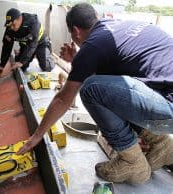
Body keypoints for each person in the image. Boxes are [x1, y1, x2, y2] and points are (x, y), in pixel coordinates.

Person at [17, 3, 173, 184]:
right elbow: (112, 84)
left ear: (75, 31)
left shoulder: (93, 44)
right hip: (165, 98)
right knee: (105, 88)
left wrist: (36, 136)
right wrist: (77, 60)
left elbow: (63, 99)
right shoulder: (120, 28)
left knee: (90, 89)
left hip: (168, 108)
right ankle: (162, 145)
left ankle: (132, 162)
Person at [0, 8, 55, 72]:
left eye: (13, 25)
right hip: (26, 45)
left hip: (40, 43)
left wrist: (22, 62)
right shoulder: (10, 28)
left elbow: (33, 44)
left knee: (46, 67)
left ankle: (50, 58)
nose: (12, 28)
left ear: (20, 19)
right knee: (20, 68)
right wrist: (1, 66)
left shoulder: (33, 22)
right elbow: (6, 47)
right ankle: (20, 55)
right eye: (10, 25)